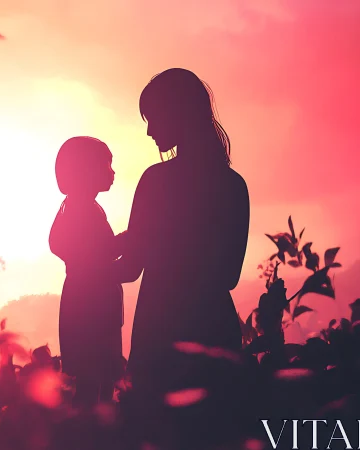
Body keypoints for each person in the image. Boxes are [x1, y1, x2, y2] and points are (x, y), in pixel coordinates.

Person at [113, 68, 251, 448]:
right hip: (215, 332)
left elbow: (129, 267)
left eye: (152, 118)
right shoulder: (233, 185)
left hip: (161, 332)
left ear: (176, 114)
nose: (149, 131)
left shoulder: (156, 181)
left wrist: (88, 263)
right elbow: (229, 275)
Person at [49, 136, 125, 407]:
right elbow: (98, 250)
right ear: (86, 170)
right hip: (90, 305)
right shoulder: (81, 209)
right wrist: (126, 241)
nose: (113, 172)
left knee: (96, 381)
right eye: (107, 165)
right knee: (94, 383)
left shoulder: (80, 207)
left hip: (90, 301)